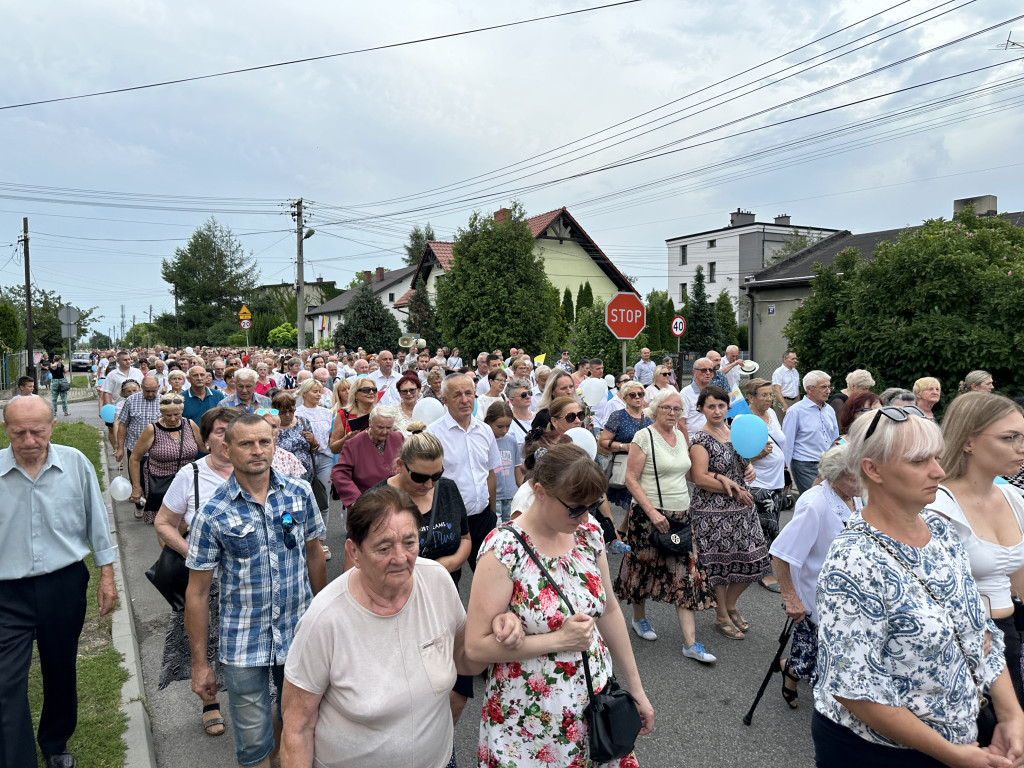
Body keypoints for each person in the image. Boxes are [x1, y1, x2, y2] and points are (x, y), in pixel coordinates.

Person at [812, 405, 1024, 767]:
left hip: (959, 735)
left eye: (937, 458)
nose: (939, 472)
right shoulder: (853, 561)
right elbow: (856, 689)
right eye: (919, 461)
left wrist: (1011, 716)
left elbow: (979, 629)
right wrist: (952, 755)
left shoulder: (939, 530)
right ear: (872, 469)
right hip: (881, 752)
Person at [280, 486, 521, 768]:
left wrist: (498, 631)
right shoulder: (325, 618)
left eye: (410, 542)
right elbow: (297, 728)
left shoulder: (437, 581)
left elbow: (467, 662)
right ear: (354, 552)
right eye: (383, 547)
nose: (401, 558)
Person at [466, 443, 655, 766]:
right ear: (540, 492)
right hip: (529, 717)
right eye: (575, 508)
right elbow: (475, 648)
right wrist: (557, 640)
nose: (583, 517)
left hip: (594, 702)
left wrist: (636, 687)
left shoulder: (588, 532)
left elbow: (608, 609)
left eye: (591, 506)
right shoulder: (504, 549)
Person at [186, 414, 327, 768]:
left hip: (299, 633)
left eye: (264, 441)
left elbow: (314, 554)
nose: (257, 451)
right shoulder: (212, 513)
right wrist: (200, 664)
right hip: (243, 641)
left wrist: (326, 616)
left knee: (300, 725)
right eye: (246, 443)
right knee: (252, 744)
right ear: (227, 448)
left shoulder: (300, 493)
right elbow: (198, 593)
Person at [0, 396, 118, 768]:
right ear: (7, 430)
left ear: (52, 426)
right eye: (20, 433)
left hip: (63, 584)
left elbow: (96, 520)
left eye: (38, 431)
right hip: (7, 592)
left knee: (60, 667)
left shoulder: (75, 463)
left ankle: (55, 743)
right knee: (5, 683)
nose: (30, 440)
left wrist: (107, 574)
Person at [930, 392, 1024, 707]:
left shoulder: (1014, 499)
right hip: (963, 646)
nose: (1021, 447)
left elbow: (1019, 575)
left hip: (1009, 634)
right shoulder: (937, 507)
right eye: (1010, 437)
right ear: (968, 441)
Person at [153, 407, 240, 737]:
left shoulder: (257, 470)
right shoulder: (189, 476)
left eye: (233, 430)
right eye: (219, 431)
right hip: (206, 581)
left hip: (248, 580)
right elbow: (163, 523)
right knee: (205, 643)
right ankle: (210, 701)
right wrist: (195, 554)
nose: (227, 437)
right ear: (206, 440)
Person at [612, 388, 717, 660]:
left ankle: (690, 643)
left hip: (680, 514)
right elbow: (631, 479)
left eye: (677, 409)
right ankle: (639, 618)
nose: (672, 413)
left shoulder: (681, 437)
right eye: (667, 408)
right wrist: (651, 512)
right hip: (649, 516)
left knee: (685, 574)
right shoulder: (643, 437)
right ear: (655, 410)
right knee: (641, 569)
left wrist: (726, 479)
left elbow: (691, 474)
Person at [770, 446, 860, 710]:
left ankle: (792, 669)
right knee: (814, 650)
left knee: (824, 651)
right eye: (853, 477)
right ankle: (793, 673)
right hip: (818, 595)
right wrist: (791, 598)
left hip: (850, 595)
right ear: (834, 476)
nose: (861, 482)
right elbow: (781, 553)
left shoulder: (857, 497)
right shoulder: (815, 504)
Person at [689, 385, 769, 640]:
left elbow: (744, 458)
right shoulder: (700, 439)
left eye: (721, 405)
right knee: (719, 567)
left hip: (742, 508)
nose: (716, 410)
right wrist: (732, 488)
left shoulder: (734, 430)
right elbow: (699, 478)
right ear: (701, 408)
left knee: (753, 559)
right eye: (710, 406)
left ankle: (731, 605)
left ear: (728, 407)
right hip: (712, 512)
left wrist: (750, 469)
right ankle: (721, 615)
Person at [427, 374, 501, 573]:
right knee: (448, 581)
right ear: (445, 400)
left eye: (469, 393)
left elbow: (490, 474)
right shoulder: (433, 435)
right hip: (449, 522)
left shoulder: (485, 431)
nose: (465, 399)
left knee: (488, 578)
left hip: (483, 519)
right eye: (457, 395)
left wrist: (492, 514)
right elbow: (427, 483)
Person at [129, 392, 203, 524]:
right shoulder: (152, 429)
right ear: (161, 413)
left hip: (188, 481)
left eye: (177, 414)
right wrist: (136, 487)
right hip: (160, 483)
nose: (173, 419)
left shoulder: (190, 425)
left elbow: (203, 448)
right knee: (165, 524)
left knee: (188, 521)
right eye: (168, 415)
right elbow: (134, 458)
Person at [744, 378, 787, 592]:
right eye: (764, 395)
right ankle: (764, 572)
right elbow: (738, 456)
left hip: (777, 480)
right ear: (750, 397)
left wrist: (785, 467)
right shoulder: (743, 418)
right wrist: (758, 454)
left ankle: (757, 564)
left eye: (770, 394)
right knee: (765, 528)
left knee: (772, 527)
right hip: (757, 483)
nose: (769, 398)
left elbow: (781, 443)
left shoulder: (771, 415)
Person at [331, 406, 403, 508]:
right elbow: (339, 473)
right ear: (370, 423)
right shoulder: (353, 444)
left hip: (395, 502)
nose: (385, 432)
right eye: (380, 427)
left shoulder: (398, 438)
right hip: (366, 505)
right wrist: (356, 500)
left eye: (389, 428)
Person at [782, 370, 839, 494]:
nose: (828, 391)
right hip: (805, 466)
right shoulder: (795, 411)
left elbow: (835, 439)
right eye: (824, 387)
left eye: (829, 387)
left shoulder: (829, 410)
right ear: (809, 389)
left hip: (827, 465)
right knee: (814, 500)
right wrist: (785, 469)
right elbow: (787, 443)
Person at [599, 380, 652, 511]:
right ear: (625, 398)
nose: (638, 397)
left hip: (647, 467)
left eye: (640, 394)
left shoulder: (650, 416)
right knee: (635, 507)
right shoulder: (618, 416)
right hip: (627, 467)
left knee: (640, 507)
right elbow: (603, 441)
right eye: (632, 395)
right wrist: (625, 446)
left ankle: (624, 531)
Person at [485, 402, 523, 524]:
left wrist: (521, 489)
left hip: (511, 495)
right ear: (488, 422)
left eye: (508, 426)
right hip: (494, 496)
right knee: (496, 527)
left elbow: (516, 468)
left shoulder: (511, 442)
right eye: (500, 426)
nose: (505, 430)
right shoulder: (484, 441)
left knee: (512, 525)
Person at [328, 377, 376, 454]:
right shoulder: (344, 414)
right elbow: (334, 448)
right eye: (366, 390)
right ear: (355, 394)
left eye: (374, 389)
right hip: (353, 461)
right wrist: (346, 438)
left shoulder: (380, 412)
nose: (371, 392)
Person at [681, 357, 714, 440]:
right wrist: (687, 446)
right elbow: (681, 423)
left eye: (711, 370)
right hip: (694, 440)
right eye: (703, 370)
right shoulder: (685, 393)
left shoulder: (714, 392)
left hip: (712, 439)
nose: (708, 373)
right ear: (694, 372)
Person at [771, 350, 800, 416]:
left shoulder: (795, 372)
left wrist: (798, 402)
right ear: (785, 359)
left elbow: (796, 388)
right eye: (793, 359)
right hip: (783, 401)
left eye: (796, 358)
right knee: (782, 424)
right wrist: (784, 405)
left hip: (794, 401)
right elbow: (777, 390)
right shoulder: (779, 372)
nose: (795, 360)